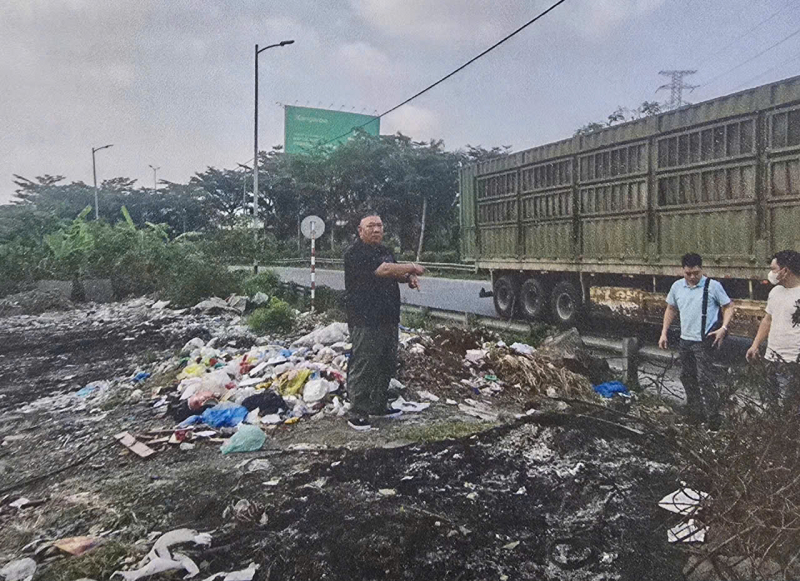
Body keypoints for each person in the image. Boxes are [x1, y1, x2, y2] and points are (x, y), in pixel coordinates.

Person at [344, 214, 424, 431]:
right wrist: (412, 267)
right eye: (371, 226)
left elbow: (395, 272)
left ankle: (378, 405)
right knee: (365, 363)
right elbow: (384, 270)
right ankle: (357, 411)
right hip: (365, 318)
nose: (376, 229)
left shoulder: (384, 250)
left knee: (386, 363)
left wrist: (408, 278)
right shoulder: (356, 253)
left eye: (379, 225)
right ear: (360, 230)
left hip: (388, 316)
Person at [659, 253, 734, 426]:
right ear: (683, 271)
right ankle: (696, 413)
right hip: (685, 340)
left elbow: (728, 306)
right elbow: (671, 308)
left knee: (705, 379)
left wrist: (723, 328)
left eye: (696, 273)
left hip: (704, 340)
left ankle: (714, 418)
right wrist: (664, 332)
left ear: (702, 270)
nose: (692, 277)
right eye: (688, 274)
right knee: (687, 376)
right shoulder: (677, 287)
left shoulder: (713, 286)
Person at [745, 250, 800, 405]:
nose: (771, 273)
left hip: (793, 361)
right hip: (771, 358)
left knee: (790, 406)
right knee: (771, 403)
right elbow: (767, 320)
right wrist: (755, 345)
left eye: (773, 269)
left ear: (785, 270)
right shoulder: (775, 292)